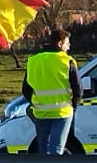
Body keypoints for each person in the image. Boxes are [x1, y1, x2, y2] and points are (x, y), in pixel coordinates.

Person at [22, 27, 82, 156]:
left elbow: (26, 89)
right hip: (62, 113)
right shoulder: (67, 61)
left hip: (41, 113)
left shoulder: (33, 61)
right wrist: (73, 106)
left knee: (42, 150)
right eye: (67, 43)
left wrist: (35, 103)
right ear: (60, 44)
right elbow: (78, 89)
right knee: (56, 151)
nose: (69, 47)